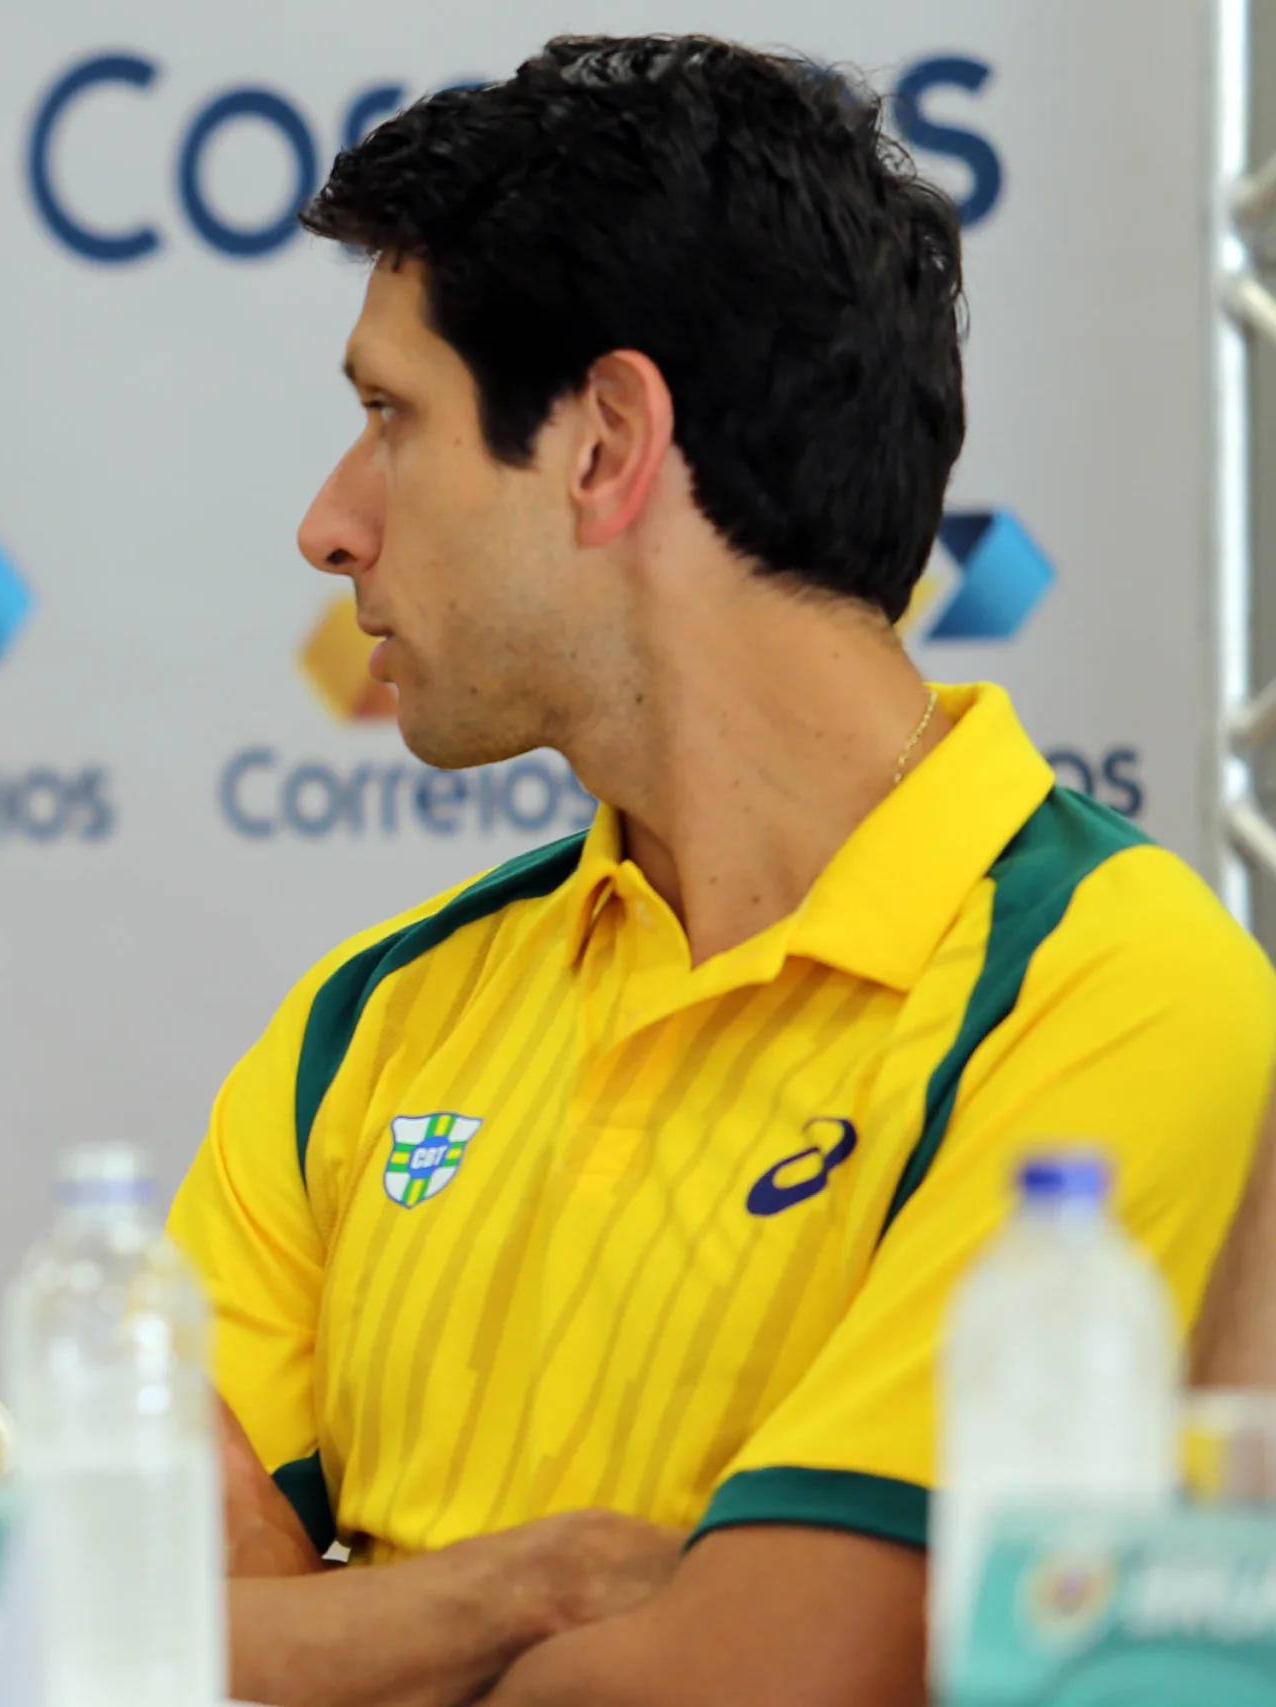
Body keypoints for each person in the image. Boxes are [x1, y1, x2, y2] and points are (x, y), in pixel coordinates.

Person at [170, 36, 1276, 1707]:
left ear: (610, 443)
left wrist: (353, 1628)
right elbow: (107, 1637)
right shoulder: (372, 1019)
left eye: (390, 415)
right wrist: (529, 1592)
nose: (330, 524)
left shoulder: (1106, 983)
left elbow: (773, 1676)